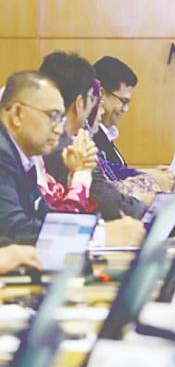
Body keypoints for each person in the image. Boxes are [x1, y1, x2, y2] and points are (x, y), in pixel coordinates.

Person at [0, 71, 143, 246]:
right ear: (16, 114)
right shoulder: (3, 154)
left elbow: (46, 217)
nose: (59, 130)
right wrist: (100, 236)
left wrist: (96, 230)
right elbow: (13, 231)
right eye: (52, 116)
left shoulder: (24, 157)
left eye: (61, 119)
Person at [39, 52, 149, 221]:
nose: (99, 110)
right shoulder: (64, 147)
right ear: (80, 103)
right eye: (93, 100)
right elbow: (104, 200)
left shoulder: (62, 142)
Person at [93, 55, 174, 192]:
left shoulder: (104, 134)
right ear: (101, 94)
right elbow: (109, 187)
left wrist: (147, 174)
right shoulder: (88, 137)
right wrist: (151, 179)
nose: (125, 109)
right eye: (123, 101)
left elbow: (114, 172)